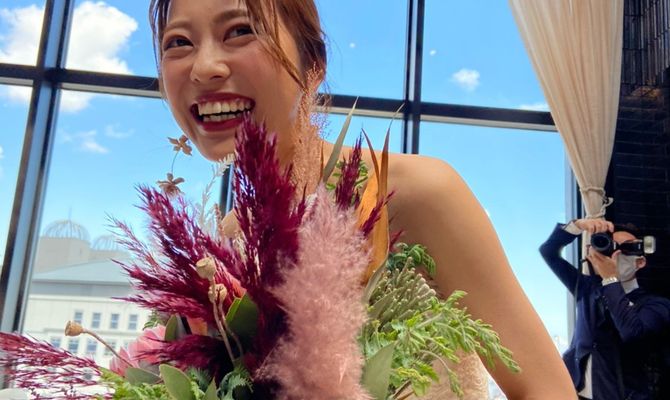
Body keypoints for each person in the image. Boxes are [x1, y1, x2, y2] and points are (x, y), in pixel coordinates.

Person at [149, 0, 575, 398]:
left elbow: (547, 390)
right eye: (178, 42)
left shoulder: (413, 193)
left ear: (313, 63)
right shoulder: (227, 240)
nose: (204, 68)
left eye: (240, 31)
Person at [540, 218, 670, 399]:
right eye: (611, 247)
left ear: (640, 262)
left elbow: (632, 332)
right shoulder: (586, 288)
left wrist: (610, 279)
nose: (616, 254)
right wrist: (578, 226)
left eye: (627, 248)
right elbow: (548, 252)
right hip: (574, 390)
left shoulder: (656, 304)